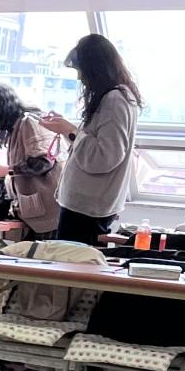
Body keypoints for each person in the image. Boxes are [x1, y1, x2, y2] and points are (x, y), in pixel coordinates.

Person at [45, 34, 141, 245]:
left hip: (87, 207)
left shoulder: (114, 100)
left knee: (70, 261)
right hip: (89, 204)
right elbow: (98, 144)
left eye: (81, 70)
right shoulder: (118, 97)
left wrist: (70, 130)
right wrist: (68, 130)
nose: (80, 78)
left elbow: (104, 157)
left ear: (95, 69)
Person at [0, 84, 61, 239]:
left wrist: (7, 170)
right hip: (41, 212)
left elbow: (44, 162)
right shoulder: (19, 126)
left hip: (50, 212)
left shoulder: (29, 123)